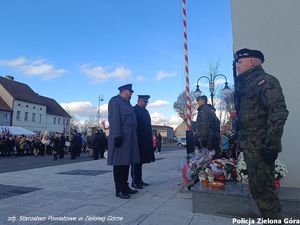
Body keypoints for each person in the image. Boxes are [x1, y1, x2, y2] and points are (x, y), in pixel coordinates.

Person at [234, 48, 289, 219]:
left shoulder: (265, 81)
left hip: (261, 147)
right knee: (258, 190)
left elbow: (278, 112)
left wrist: (271, 145)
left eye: (240, 62)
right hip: (251, 146)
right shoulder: (247, 85)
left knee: (264, 192)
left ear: (252, 62)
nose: (236, 65)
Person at [107, 84, 140, 199]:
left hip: (129, 139)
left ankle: (125, 186)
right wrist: (117, 136)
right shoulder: (115, 101)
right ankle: (119, 190)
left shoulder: (127, 103)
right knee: (119, 164)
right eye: (130, 92)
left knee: (126, 164)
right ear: (125, 91)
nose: (131, 94)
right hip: (121, 138)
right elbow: (114, 119)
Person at [131, 95, 155, 189]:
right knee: (135, 162)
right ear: (139, 101)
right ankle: (134, 182)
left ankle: (139, 180)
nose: (146, 104)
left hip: (144, 141)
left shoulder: (145, 111)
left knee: (140, 162)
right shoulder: (134, 110)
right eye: (144, 102)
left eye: (146, 102)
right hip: (137, 140)